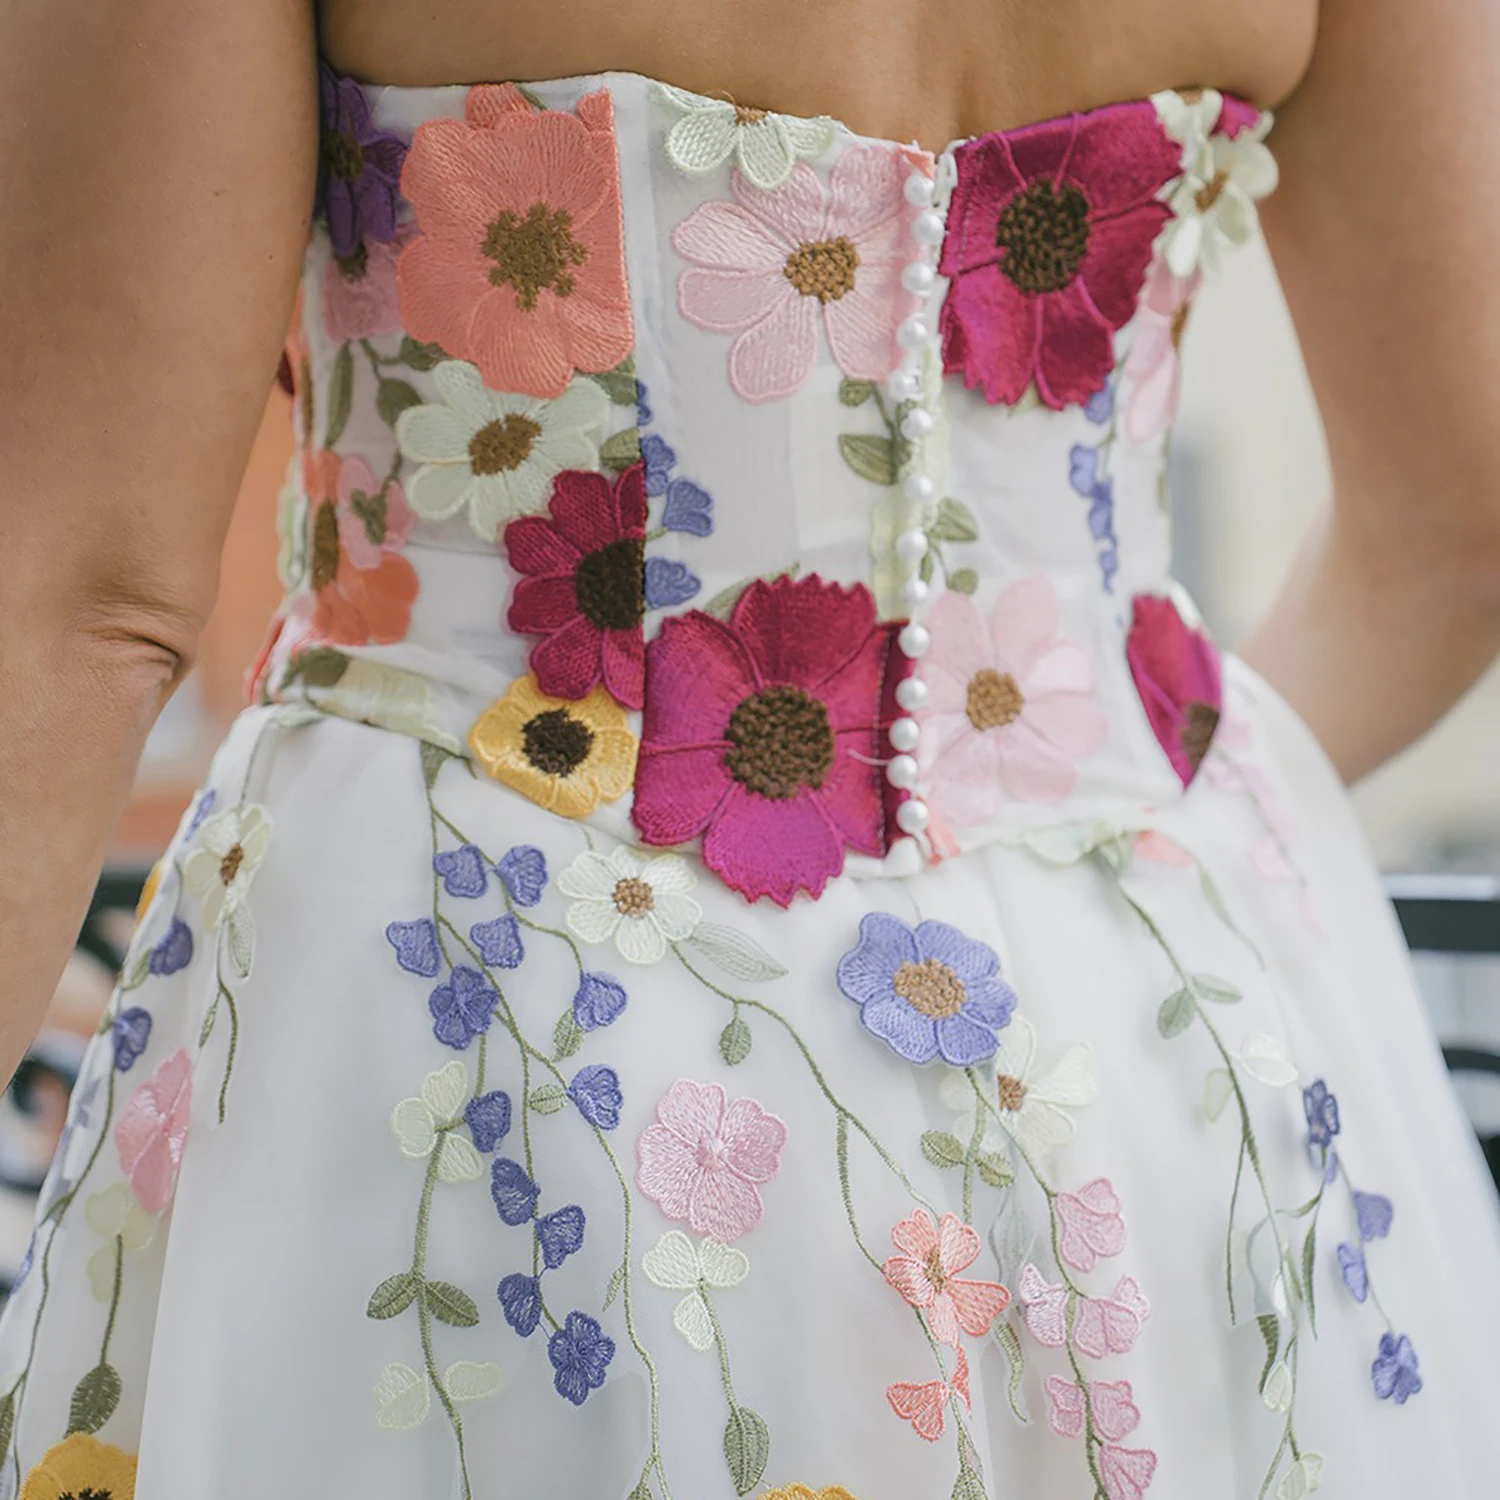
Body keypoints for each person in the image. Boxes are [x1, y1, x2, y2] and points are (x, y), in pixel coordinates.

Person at [2, 0, 1498, 1494]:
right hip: (1170, 1061)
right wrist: (1092, 771)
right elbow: (1461, 531)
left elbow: (83, 601)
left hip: (478, 1032)